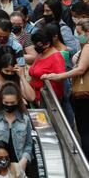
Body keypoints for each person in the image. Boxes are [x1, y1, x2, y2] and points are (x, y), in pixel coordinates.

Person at [42, 20, 89, 157]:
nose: (78, 36)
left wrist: (58, 76)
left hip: (84, 96)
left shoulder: (87, 47)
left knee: (85, 131)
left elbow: (80, 70)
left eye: (80, 33)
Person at [0, 82, 33, 171]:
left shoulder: (25, 120)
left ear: (18, 101)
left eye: (12, 102)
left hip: (19, 166)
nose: (9, 105)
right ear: (1, 101)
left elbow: (28, 144)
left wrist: (24, 159)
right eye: (6, 102)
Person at [0, 47, 35, 114]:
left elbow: (31, 98)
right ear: (0, 68)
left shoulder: (16, 80)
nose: (9, 74)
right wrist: (1, 102)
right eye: (6, 71)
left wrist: (22, 77)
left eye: (12, 71)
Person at [29, 30, 66, 104]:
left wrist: (48, 77)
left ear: (47, 44)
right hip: (34, 96)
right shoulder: (41, 54)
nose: (35, 47)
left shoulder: (56, 58)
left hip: (47, 100)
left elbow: (61, 78)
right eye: (34, 44)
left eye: (38, 45)